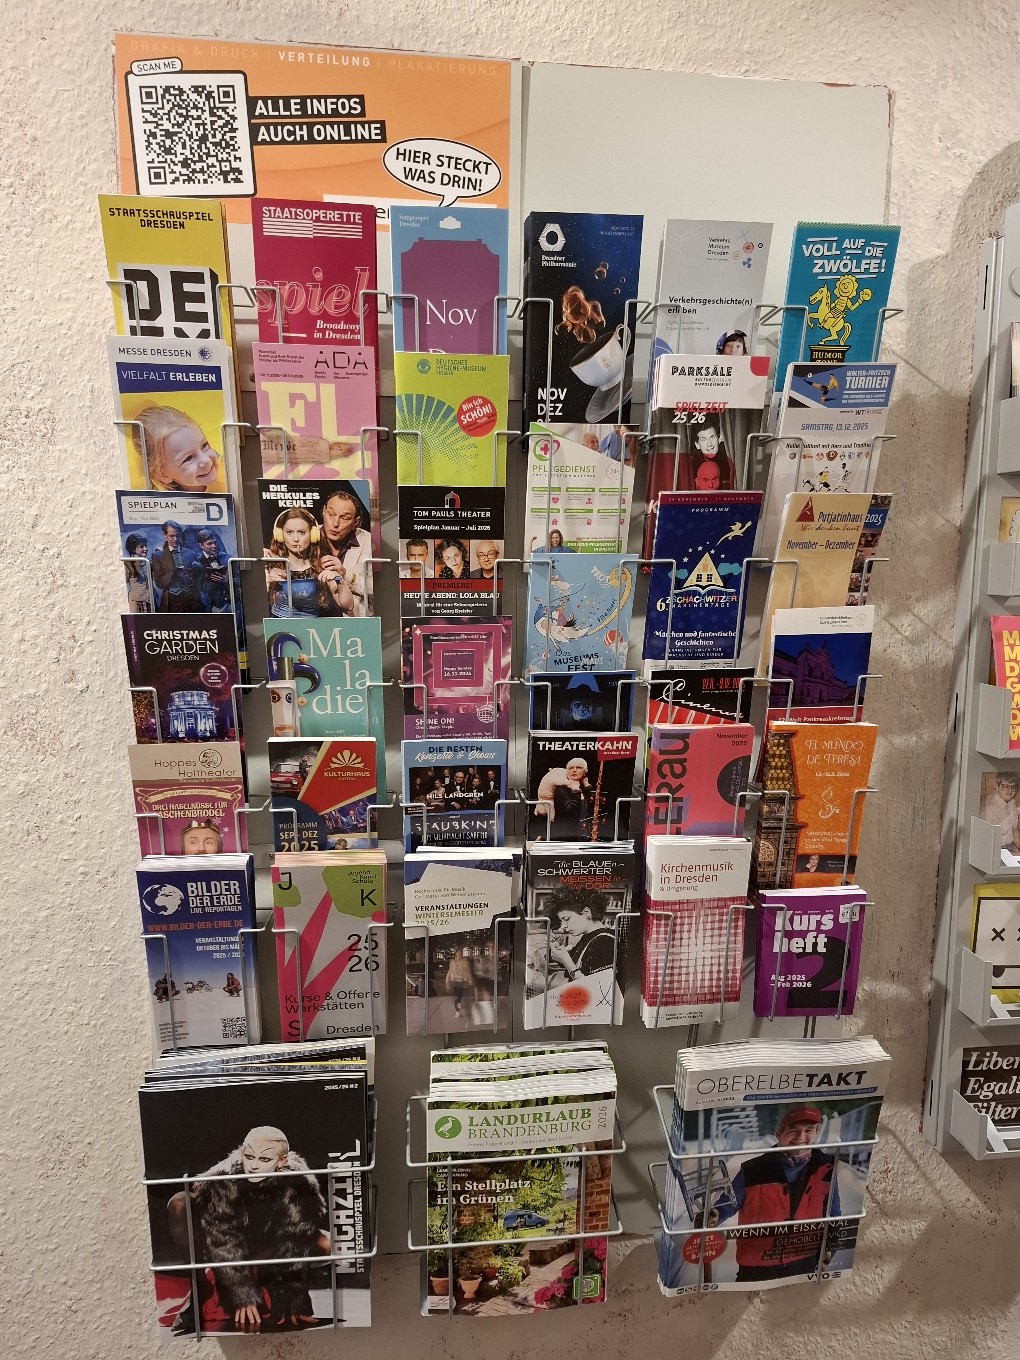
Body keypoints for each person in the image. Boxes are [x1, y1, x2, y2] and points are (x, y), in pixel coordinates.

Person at [167, 1126, 330, 1333]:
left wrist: (292, 1299)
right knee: (179, 1203)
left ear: (281, 1161)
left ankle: (267, 1279)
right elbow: (222, 1238)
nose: (253, 1166)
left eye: (264, 1159)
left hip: (267, 1239)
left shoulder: (298, 1182)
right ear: (242, 1152)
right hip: (217, 1238)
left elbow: (294, 1241)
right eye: (249, 1156)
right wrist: (241, 1293)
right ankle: (201, 1284)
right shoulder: (222, 1180)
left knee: (327, 1243)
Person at [708, 1105, 840, 1284]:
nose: (801, 1137)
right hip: (757, 1267)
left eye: (808, 1130)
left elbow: (833, 1216)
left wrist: (829, 1247)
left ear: (816, 1132)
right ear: (779, 1134)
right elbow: (729, 1202)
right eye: (793, 1130)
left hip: (805, 1263)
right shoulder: (753, 1170)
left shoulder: (827, 1169)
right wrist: (715, 1215)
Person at [132, 405, 222, 493]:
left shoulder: (226, 468)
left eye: (204, 446)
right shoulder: (161, 499)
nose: (206, 460)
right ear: (163, 475)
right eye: (188, 458)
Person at [545, 887, 617, 982]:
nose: (563, 926)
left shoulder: (605, 941)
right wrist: (556, 951)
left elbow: (598, 988)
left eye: (566, 919)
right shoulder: (588, 937)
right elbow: (573, 961)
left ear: (587, 913)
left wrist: (565, 960)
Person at [319, 488, 371, 616]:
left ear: (356, 522)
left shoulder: (369, 542)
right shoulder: (304, 535)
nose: (335, 523)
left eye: (345, 518)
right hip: (315, 618)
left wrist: (346, 575)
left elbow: (378, 588)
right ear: (324, 511)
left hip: (354, 621)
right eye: (331, 514)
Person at [535, 756, 593, 840]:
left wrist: (587, 787)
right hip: (565, 836)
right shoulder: (561, 790)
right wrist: (575, 791)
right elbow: (570, 811)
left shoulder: (579, 788)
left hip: (579, 834)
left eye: (578, 767)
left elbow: (591, 807)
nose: (574, 770)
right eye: (570, 768)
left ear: (584, 772)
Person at [152, 521, 201, 612]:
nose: (175, 539)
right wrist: (174, 572)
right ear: (164, 535)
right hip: (170, 603)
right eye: (172, 536)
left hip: (190, 603)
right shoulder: (158, 556)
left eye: (178, 536)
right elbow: (159, 583)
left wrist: (190, 580)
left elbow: (198, 580)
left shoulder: (190, 554)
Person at [689, 420, 735, 491]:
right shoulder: (690, 465)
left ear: (719, 439)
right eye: (704, 440)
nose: (709, 444)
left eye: (712, 437)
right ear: (697, 445)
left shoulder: (728, 461)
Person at [981, 773, 1020, 853]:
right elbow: (985, 841)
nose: (1010, 791)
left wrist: (1018, 849)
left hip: (1010, 847)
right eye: (1005, 787)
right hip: (994, 850)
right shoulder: (989, 808)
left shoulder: (1012, 802)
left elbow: (1015, 829)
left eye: (1014, 787)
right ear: (997, 786)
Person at [194, 529, 231, 612]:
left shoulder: (227, 559)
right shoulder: (197, 563)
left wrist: (227, 580)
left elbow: (238, 580)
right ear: (201, 545)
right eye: (209, 543)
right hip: (207, 608)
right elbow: (200, 588)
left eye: (215, 542)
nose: (214, 546)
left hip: (228, 605)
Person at [445, 947, 477, 1018]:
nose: (459, 955)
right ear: (456, 954)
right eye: (458, 953)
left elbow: (468, 972)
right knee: (455, 997)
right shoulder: (452, 962)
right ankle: (457, 1012)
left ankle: (459, 1002)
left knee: (459, 996)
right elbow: (450, 971)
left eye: (461, 954)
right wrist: (447, 981)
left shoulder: (464, 962)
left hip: (461, 982)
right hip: (453, 981)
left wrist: (470, 981)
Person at [124, 532, 152, 612]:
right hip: (137, 601)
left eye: (146, 546)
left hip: (150, 600)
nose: (145, 549)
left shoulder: (148, 562)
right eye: (142, 547)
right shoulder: (128, 564)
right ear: (133, 549)